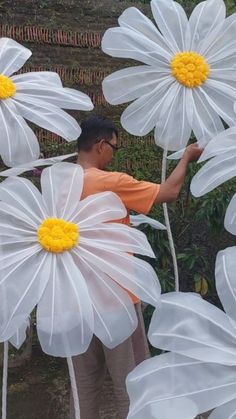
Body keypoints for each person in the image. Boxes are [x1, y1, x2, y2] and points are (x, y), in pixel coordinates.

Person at [70, 115, 203, 419]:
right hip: (115, 300)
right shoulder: (109, 182)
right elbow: (168, 192)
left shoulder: (58, 182)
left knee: (84, 386)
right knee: (130, 384)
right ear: (101, 145)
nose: (114, 153)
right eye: (114, 147)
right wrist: (186, 157)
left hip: (74, 301)